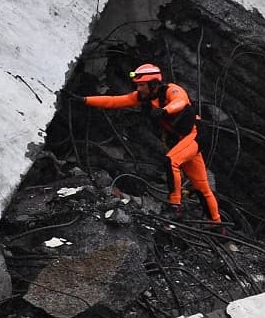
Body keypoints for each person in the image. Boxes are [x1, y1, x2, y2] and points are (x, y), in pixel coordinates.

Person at [70, 63, 221, 224]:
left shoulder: (171, 90)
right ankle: (218, 225)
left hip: (196, 134)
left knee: (171, 161)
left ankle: (175, 207)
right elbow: (114, 101)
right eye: (138, 85)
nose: (139, 89)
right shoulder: (143, 97)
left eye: (142, 85)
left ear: (154, 84)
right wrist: (84, 100)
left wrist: (165, 110)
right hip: (183, 141)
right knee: (201, 186)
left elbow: (181, 101)